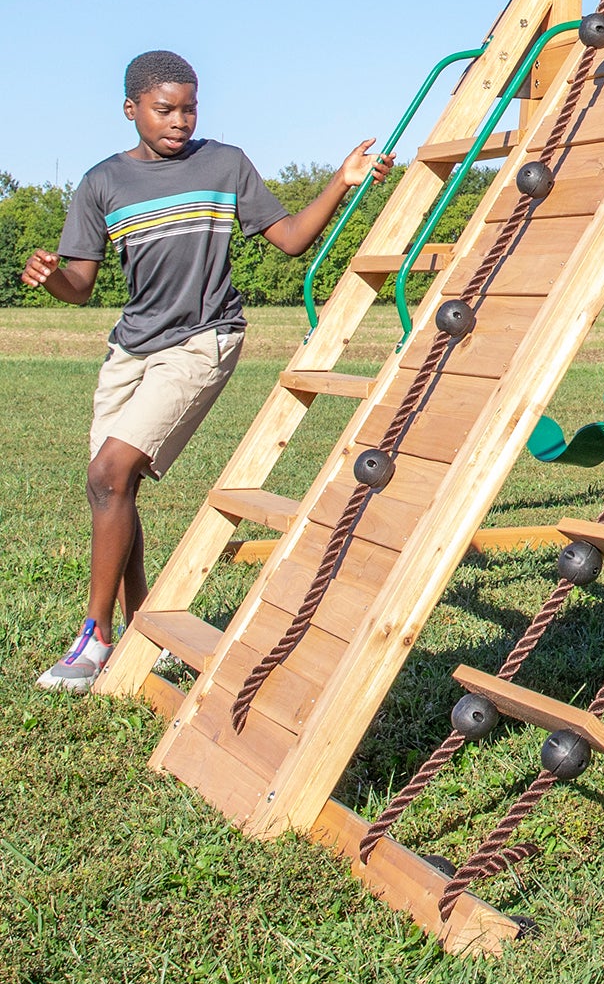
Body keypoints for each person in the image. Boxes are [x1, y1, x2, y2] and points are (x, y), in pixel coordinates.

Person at [21, 52, 392, 694]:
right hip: (131, 348)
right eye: (166, 109)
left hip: (204, 340)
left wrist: (340, 182)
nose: (181, 120)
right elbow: (79, 286)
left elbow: (292, 239)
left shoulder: (224, 165)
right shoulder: (101, 183)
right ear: (131, 109)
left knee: (108, 474)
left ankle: (94, 637)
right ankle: (144, 630)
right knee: (114, 488)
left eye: (190, 107)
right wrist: (52, 278)